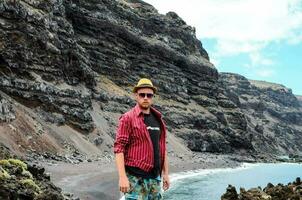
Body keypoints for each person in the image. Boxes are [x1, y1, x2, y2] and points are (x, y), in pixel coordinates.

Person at [114, 78, 170, 200]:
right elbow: (119, 149)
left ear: (152, 97)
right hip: (135, 179)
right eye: (142, 94)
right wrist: (122, 177)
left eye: (149, 95)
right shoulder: (127, 118)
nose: (145, 98)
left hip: (155, 178)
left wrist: (165, 174)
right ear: (136, 95)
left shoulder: (159, 120)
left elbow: (162, 148)